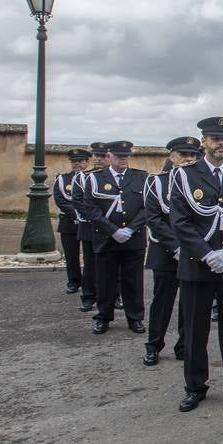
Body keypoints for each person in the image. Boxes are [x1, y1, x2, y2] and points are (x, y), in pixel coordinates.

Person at [170, 117, 223, 412]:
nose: (221, 144)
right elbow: (179, 221)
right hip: (197, 264)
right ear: (203, 141)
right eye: (215, 138)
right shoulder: (185, 175)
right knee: (194, 330)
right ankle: (195, 386)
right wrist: (206, 253)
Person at [77, 140, 150, 334]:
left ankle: (135, 318)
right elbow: (91, 209)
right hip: (106, 239)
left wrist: (131, 229)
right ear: (109, 157)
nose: (123, 160)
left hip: (133, 240)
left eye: (126, 157)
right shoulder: (95, 179)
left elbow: (147, 208)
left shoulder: (140, 177)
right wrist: (113, 231)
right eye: (119, 157)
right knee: (105, 281)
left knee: (133, 282)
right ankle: (103, 317)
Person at [142, 137, 199, 366]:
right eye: (183, 154)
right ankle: (153, 345)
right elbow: (154, 219)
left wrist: (191, 247)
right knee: (162, 301)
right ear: (171, 156)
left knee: (189, 303)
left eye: (192, 155)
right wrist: (176, 247)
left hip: (193, 252)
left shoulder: (198, 182)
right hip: (166, 251)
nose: (188, 159)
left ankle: (184, 346)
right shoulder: (156, 182)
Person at [70, 142, 107, 312]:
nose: (99, 160)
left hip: (110, 229)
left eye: (103, 156)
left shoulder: (115, 178)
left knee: (113, 266)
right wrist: (96, 219)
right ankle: (88, 297)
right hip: (90, 227)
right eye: (96, 156)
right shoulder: (83, 177)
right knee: (90, 265)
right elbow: (78, 201)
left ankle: (113, 296)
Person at [53, 149, 90, 293]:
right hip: (69, 222)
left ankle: (89, 283)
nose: (77, 164)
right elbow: (60, 199)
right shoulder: (62, 179)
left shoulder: (92, 178)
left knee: (89, 256)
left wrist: (85, 214)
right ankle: (74, 281)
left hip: (88, 222)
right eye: (74, 162)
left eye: (80, 161)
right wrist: (76, 214)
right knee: (71, 254)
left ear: (87, 162)